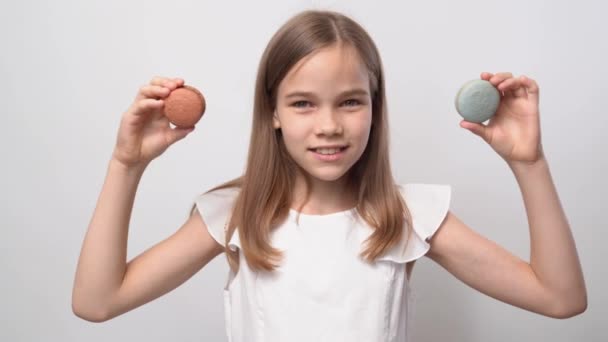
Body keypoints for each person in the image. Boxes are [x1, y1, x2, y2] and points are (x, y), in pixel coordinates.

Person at [72, 9, 587, 342]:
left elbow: (560, 298)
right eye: (302, 103)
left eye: (350, 102)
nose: (329, 126)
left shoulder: (407, 217)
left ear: (374, 106)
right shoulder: (235, 216)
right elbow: (97, 303)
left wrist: (529, 164)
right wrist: (126, 165)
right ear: (271, 111)